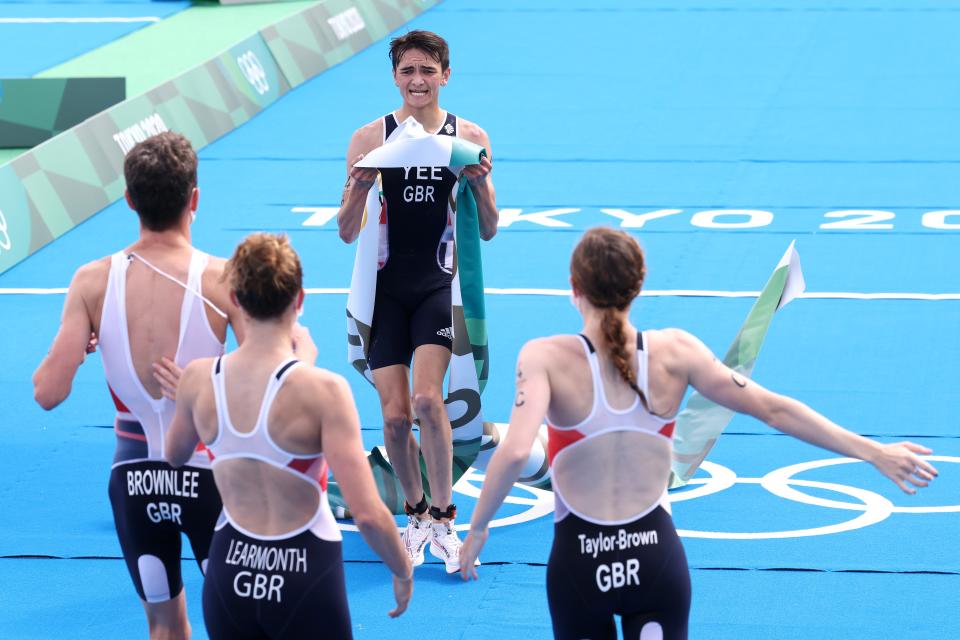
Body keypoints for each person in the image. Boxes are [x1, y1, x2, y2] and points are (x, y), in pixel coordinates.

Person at [459, 227, 938, 640]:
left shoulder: (544, 356)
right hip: (655, 561)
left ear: (573, 287)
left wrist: (477, 529)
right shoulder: (677, 351)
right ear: (639, 284)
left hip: (579, 564)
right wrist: (873, 452)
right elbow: (774, 410)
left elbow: (516, 449)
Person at [32, 131, 244, 639]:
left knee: (164, 630)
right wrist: (207, 381)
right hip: (211, 478)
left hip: (134, 482)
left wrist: (83, 346)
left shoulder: (92, 281)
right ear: (195, 198)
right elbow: (282, 368)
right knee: (240, 625)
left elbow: (47, 392)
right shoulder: (223, 277)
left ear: (129, 200)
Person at [164, 233, 413, 639]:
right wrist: (402, 570)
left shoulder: (197, 380)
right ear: (299, 300)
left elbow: (174, 455)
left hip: (231, 570)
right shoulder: (322, 391)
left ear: (236, 300)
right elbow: (366, 513)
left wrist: (187, 402)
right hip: (304, 573)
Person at [336, 29, 498, 573]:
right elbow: (344, 231)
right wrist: (360, 187)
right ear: (395, 77)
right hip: (384, 293)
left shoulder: (469, 136)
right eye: (407, 71)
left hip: (435, 287)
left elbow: (491, 229)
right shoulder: (369, 138)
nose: (418, 81)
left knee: (429, 403)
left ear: (445, 75)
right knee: (392, 417)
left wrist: (481, 187)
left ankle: (446, 519)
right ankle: (415, 517)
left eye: (428, 71)